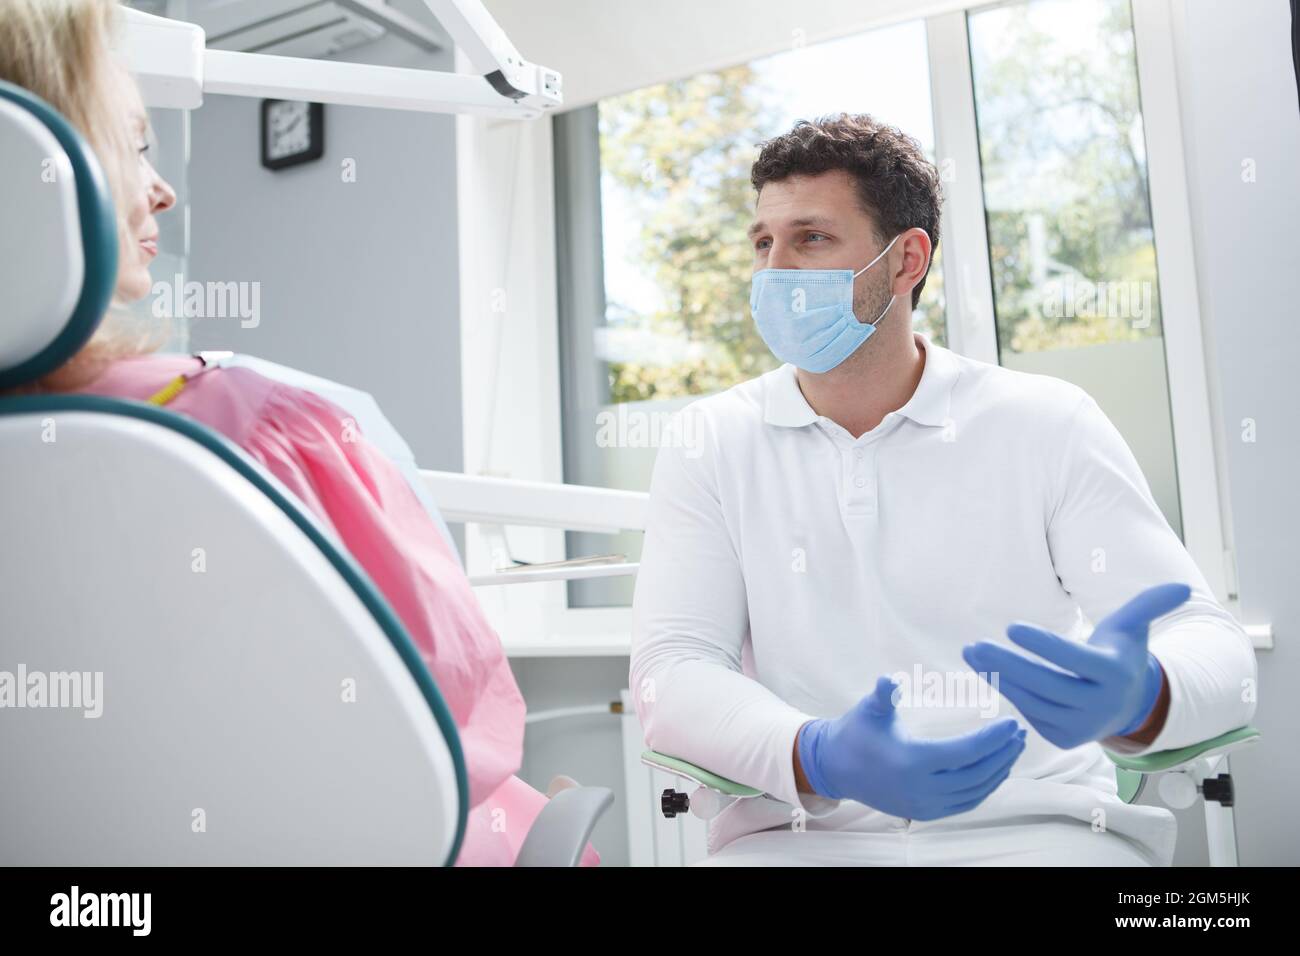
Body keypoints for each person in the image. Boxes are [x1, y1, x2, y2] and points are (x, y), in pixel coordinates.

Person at [0, 0, 593, 867]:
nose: (162, 188)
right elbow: (448, 708)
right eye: (133, 145)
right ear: (36, 171)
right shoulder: (255, 421)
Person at [630, 113, 1256, 866]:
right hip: (801, 840)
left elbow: (1215, 649)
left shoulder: (1044, 422)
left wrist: (1147, 693)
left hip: (1042, 834)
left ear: (906, 261)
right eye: (763, 243)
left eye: (812, 238)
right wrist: (816, 754)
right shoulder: (712, 442)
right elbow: (674, 671)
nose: (775, 270)